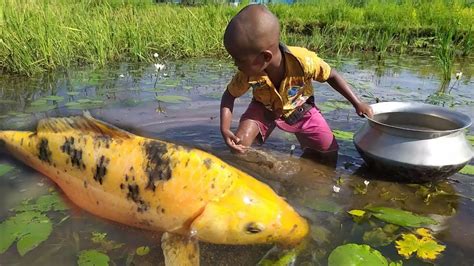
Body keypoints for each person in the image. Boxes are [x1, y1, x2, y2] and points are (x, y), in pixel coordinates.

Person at [220, 4, 373, 164]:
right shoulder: (247, 73)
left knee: (329, 152)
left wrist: (357, 103)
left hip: (301, 109)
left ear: (265, 57)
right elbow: (229, 96)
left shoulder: (304, 61)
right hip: (263, 107)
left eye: (240, 59)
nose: (236, 64)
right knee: (238, 146)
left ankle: (306, 171)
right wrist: (225, 129)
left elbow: (331, 75)